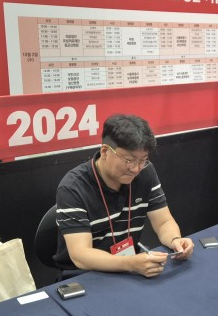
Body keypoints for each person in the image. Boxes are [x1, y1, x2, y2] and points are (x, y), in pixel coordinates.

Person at [54, 114, 194, 278]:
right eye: (129, 160)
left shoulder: (145, 172)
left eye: (143, 160)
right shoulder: (73, 188)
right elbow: (81, 255)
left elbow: (163, 222)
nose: (135, 169)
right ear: (105, 151)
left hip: (130, 267)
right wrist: (131, 263)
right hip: (85, 275)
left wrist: (175, 240)